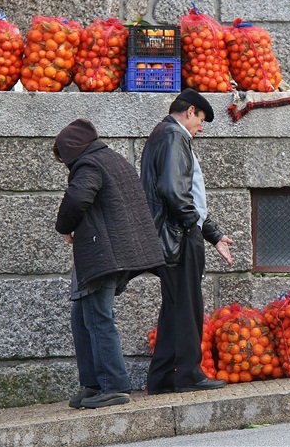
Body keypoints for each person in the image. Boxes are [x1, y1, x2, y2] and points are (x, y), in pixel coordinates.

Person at [54, 119, 165, 408]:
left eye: (63, 157)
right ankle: (93, 384)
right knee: (82, 316)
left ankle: (113, 385)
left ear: (71, 150)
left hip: (103, 253)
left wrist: (64, 226)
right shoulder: (111, 159)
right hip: (115, 251)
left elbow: (78, 197)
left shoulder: (89, 164)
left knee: (97, 317)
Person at [141, 88, 234, 393]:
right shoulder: (174, 135)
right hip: (179, 236)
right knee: (189, 306)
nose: (201, 127)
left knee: (175, 306)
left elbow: (183, 193)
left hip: (172, 234)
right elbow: (174, 190)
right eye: (201, 119)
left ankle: (162, 376)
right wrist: (194, 226)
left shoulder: (161, 134)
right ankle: (189, 374)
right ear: (189, 111)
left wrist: (214, 234)